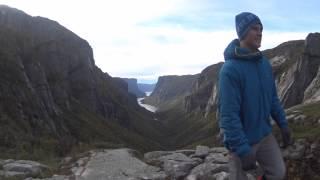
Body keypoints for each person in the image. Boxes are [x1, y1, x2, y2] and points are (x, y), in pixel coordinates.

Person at [218, 12, 292, 180]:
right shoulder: (230, 70)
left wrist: (283, 124)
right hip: (241, 141)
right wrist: (243, 149)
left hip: (264, 134)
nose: (259, 33)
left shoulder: (263, 63)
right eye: (254, 29)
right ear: (243, 32)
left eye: (261, 29)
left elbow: (272, 98)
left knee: (278, 173)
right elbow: (228, 115)